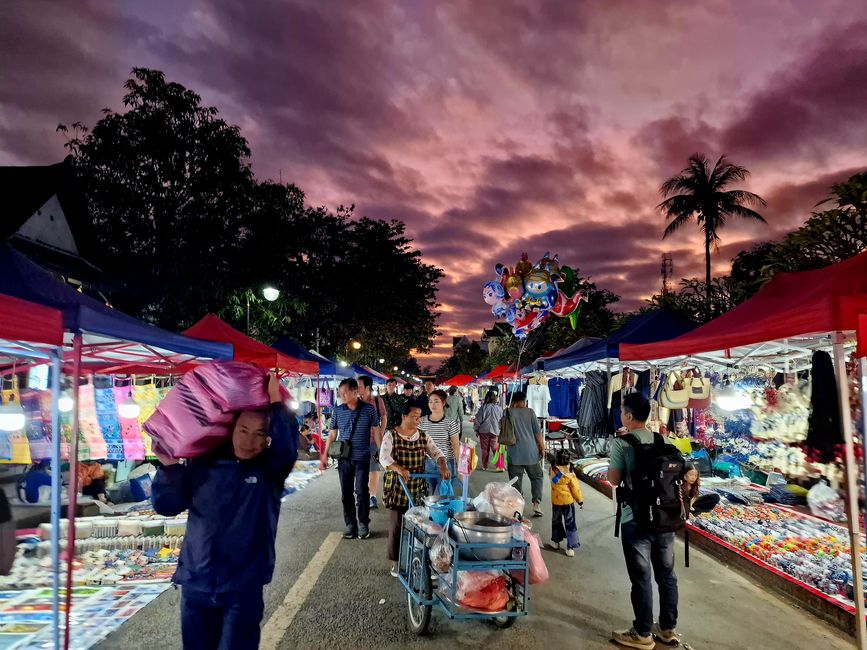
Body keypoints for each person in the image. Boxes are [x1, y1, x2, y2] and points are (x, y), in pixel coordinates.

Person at [152, 374, 298, 650]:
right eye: (243, 430)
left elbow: (287, 448)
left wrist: (276, 401)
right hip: (196, 583)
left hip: (242, 587)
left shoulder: (269, 473)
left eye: (260, 433)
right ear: (231, 429)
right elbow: (167, 506)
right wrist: (169, 467)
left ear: (268, 439)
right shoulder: (202, 464)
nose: (249, 440)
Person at [607, 393, 679, 649]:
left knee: (641, 577)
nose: (620, 415)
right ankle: (668, 629)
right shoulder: (664, 440)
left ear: (628, 416)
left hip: (635, 519)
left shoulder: (622, 444)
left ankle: (642, 633)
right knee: (667, 575)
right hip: (664, 518)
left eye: (621, 412)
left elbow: (614, 480)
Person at [380, 402, 450, 576]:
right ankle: (395, 562)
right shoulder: (391, 435)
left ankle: (420, 558)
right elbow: (384, 457)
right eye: (414, 416)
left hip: (417, 487)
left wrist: (442, 466)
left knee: (421, 525)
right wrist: (399, 469)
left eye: (419, 417)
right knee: (397, 526)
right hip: (398, 487)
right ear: (404, 416)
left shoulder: (423, 436)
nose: (418, 420)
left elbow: (436, 452)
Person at [321, 378, 381, 539]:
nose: (342, 396)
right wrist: (324, 455)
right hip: (344, 458)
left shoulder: (369, 410)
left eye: (345, 393)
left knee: (361, 491)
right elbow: (332, 434)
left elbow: (376, 431)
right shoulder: (338, 411)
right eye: (340, 393)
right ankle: (351, 525)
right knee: (346, 493)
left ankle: (363, 523)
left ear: (355, 391)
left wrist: (381, 451)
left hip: (362, 457)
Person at [504, 391, 545, 517]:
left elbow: (502, 428)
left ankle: (518, 507)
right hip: (530, 452)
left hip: (514, 453)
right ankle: (536, 503)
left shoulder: (508, 412)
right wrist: (542, 447)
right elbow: (537, 432)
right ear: (522, 401)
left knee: (515, 481)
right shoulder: (530, 412)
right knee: (537, 477)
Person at [419, 389, 461, 495]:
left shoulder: (451, 423)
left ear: (443, 403)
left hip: (446, 464)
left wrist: (460, 468)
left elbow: (456, 447)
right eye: (430, 401)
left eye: (436, 401)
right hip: (427, 464)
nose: (433, 404)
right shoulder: (421, 422)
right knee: (428, 497)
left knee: (442, 497)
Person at [547, 449, 583, 557]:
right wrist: (580, 500)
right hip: (568, 502)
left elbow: (553, 481)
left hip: (556, 501)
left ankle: (555, 542)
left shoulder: (552, 469)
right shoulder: (570, 472)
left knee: (556, 522)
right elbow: (575, 488)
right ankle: (570, 548)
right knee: (570, 523)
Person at [359, 376, 387, 510]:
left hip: (373, 441)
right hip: (358, 441)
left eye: (359, 386)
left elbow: (384, 417)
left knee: (373, 469)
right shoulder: (356, 401)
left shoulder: (377, 400)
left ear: (367, 387)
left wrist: (380, 433)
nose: (357, 389)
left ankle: (372, 496)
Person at [473, 391, 503, 470]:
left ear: (486, 398)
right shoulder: (499, 408)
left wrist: (476, 429)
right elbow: (502, 421)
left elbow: (478, 420)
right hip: (495, 431)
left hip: (484, 431)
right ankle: (500, 465)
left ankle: (485, 466)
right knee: (495, 449)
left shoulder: (483, 408)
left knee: (485, 449)